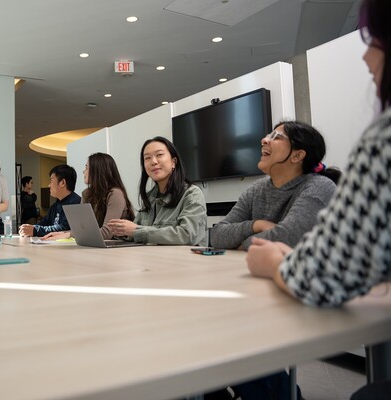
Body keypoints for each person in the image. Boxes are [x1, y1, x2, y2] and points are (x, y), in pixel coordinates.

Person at [246, 0, 390, 398]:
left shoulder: (323, 185)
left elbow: (314, 267)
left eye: (375, 38)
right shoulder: (255, 189)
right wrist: (259, 228)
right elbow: (219, 234)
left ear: (297, 155)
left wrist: (274, 256)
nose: (366, 54)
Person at [210, 121, 341, 250]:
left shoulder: (319, 187)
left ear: (297, 155)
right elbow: (217, 236)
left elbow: (287, 238)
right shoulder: (256, 189)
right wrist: (257, 225)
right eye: (268, 135)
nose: (264, 140)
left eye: (276, 137)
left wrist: (242, 245)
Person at [108, 136, 208, 245]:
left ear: (174, 162)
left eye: (159, 155)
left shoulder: (192, 194)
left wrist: (136, 231)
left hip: (184, 260)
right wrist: (122, 231)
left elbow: (186, 235)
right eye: (147, 158)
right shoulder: (150, 197)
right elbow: (135, 230)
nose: (153, 162)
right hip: (153, 258)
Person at [43, 153, 135, 240]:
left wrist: (69, 234)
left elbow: (106, 233)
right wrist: (62, 233)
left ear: (98, 169)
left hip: (120, 247)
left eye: (86, 167)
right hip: (98, 247)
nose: (84, 171)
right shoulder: (86, 194)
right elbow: (82, 229)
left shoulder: (115, 193)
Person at [19, 164, 81, 237]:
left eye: (51, 181)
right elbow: (46, 221)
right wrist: (30, 228)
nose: (49, 185)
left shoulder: (76, 203)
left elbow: (64, 228)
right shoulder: (56, 205)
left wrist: (35, 230)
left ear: (63, 183)